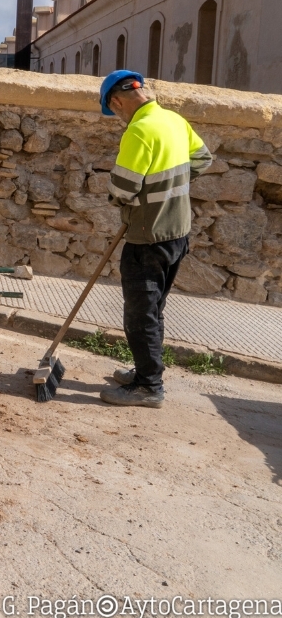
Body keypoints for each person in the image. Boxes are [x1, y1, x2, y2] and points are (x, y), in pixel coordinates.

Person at [99, 70, 212, 408]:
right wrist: (166, 192)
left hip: (147, 238)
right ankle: (146, 371)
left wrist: (137, 197)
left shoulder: (139, 131)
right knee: (154, 310)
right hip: (177, 233)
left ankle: (149, 386)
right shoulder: (174, 121)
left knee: (140, 315)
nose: (118, 117)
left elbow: (122, 188)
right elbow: (203, 160)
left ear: (117, 102)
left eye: (114, 111)